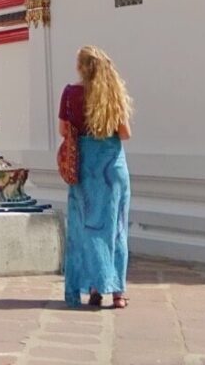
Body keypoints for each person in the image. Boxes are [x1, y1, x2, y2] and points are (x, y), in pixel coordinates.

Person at [59, 45, 132, 309]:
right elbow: (125, 133)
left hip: (84, 167)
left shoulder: (70, 94)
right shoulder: (112, 94)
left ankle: (93, 288)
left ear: (80, 67)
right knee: (116, 228)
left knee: (86, 228)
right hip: (112, 166)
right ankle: (118, 292)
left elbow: (64, 130)